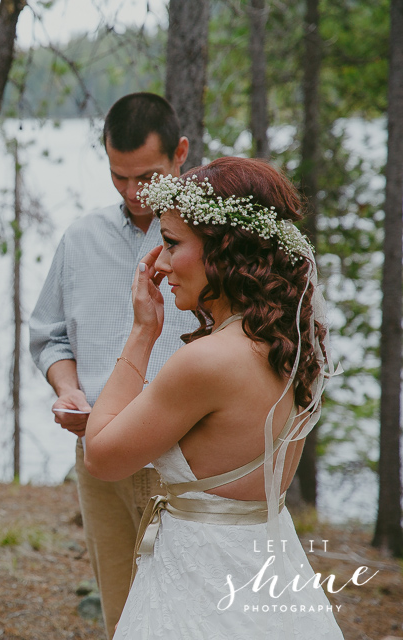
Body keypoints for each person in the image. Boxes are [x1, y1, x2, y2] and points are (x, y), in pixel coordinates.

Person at [84, 156, 343, 638]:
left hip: (200, 579)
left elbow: (101, 456)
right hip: (271, 566)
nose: (160, 263)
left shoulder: (207, 362)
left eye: (171, 244)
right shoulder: (298, 344)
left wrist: (142, 332)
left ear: (225, 249)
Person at [29, 92, 197, 638]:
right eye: (118, 177)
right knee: (122, 614)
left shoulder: (208, 240)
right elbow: (49, 336)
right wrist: (69, 390)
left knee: (187, 609)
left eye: (146, 176)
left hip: (188, 458)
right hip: (100, 453)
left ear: (180, 154)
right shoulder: (80, 239)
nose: (132, 192)